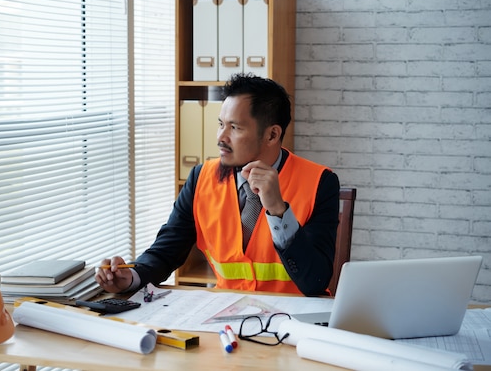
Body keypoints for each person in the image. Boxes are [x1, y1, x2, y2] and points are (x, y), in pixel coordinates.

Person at [97, 73, 340, 296]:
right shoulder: (200, 178)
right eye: (220, 124)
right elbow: (166, 251)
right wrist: (131, 277)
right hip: (227, 319)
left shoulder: (320, 183)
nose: (220, 138)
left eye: (234, 128)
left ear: (272, 135)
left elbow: (315, 281)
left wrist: (279, 211)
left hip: (293, 323)